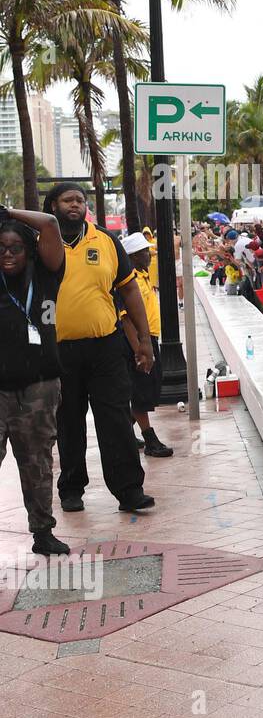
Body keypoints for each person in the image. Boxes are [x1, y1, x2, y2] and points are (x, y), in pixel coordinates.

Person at [44, 183, 155, 515]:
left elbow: (130, 290)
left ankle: (129, 490)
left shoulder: (106, 241)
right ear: (52, 206)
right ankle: (71, 489)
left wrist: (145, 341)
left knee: (116, 420)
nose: (75, 205)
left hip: (105, 347)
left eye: (80, 200)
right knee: (69, 422)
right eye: (68, 200)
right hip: (59, 350)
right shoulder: (41, 244)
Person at [0, 206, 69, 554]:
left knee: (37, 462)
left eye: (16, 248)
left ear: (29, 252)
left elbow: (51, 224)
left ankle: (42, 532)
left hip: (39, 385)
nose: (8, 254)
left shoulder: (45, 275)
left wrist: (8, 211)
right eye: (1, 248)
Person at [118, 233, 173, 458]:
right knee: (141, 391)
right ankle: (150, 439)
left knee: (148, 389)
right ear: (131, 256)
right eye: (143, 252)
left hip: (149, 339)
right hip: (141, 342)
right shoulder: (129, 282)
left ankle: (123, 432)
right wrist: (139, 349)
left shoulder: (142, 276)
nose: (149, 255)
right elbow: (126, 318)